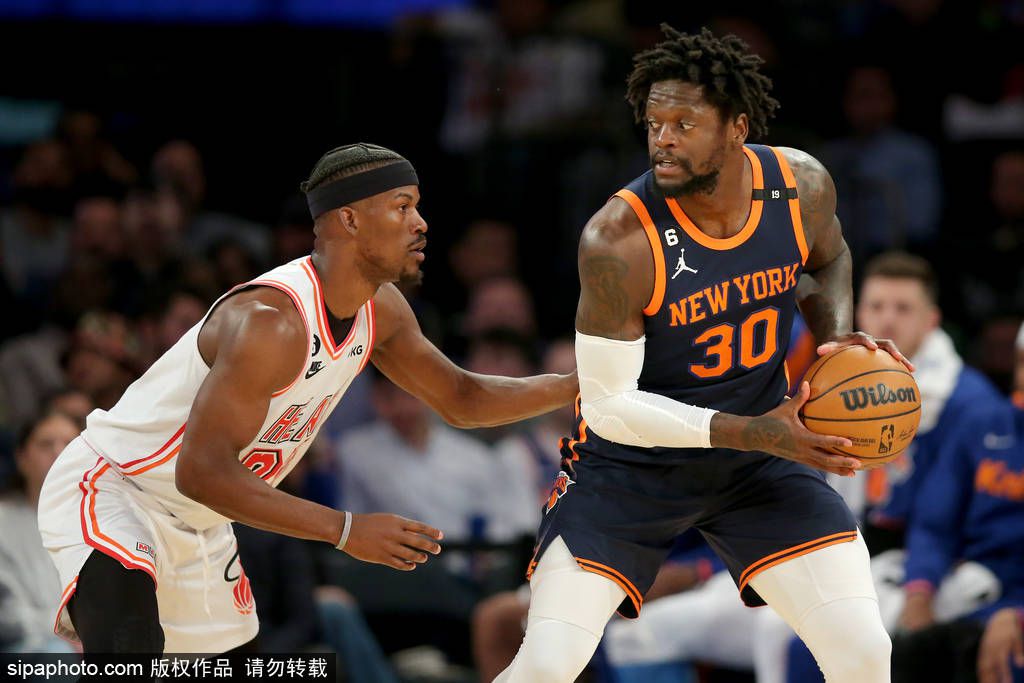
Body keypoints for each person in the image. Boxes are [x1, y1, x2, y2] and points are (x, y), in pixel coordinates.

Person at [37, 142, 578, 655]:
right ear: (349, 219)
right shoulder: (271, 323)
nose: (421, 223)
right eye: (403, 206)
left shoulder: (381, 309)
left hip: (199, 519)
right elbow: (200, 471)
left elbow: (463, 397)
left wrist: (579, 385)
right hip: (118, 488)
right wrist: (345, 530)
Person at [495, 26, 913, 683]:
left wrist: (834, 342)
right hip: (630, 470)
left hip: (758, 466)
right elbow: (606, 407)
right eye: (655, 121)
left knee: (864, 652)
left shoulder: (798, 184)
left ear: (737, 126)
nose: (663, 137)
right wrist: (756, 430)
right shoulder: (618, 239)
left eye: (684, 122)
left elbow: (827, 258)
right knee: (549, 663)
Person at [0, 412, 80, 652]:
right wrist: (72, 637)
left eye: (68, 444)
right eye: (46, 444)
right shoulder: (3, 522)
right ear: (22, 458)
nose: (58, 453)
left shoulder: (105, 521)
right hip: (28, 648)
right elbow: (7, 616)